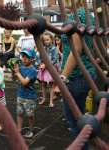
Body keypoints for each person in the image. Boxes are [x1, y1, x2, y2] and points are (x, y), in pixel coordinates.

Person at [55, 0, 97, 149]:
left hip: (76, 76)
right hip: (87, 72)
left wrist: (62, 78)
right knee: (79, 119)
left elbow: (76, 50)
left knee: (75, 123)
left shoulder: (75, 17)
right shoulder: (87, 15)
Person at [13, 45, 37, 139]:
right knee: (19, 113)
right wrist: (14, 71)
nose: (24, 59)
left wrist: (17, 72)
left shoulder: (32, 70)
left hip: (29, 97)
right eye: (23, 56)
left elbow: (24, 83)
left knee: (30, 115)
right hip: (20, 95)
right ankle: (19, 130)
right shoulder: (21, 68)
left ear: (33, 58)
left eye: (27, 57)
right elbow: (14, 78)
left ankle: (31, 130)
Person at [37, 32, 58, 108]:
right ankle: (44, 98)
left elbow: (55, 60)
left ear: (51, 40)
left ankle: (51, 101)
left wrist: (46, 64)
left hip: (50, 69)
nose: (46, 41)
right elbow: (39, 58)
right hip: (43, 69)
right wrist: (40, 63)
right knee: (43, 84)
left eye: (47, 40)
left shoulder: (54, 49)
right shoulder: (43, 48)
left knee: (52, 85)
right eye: (44, 40)